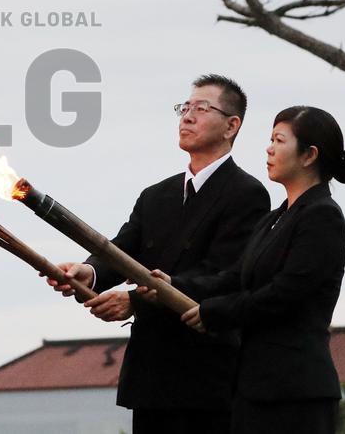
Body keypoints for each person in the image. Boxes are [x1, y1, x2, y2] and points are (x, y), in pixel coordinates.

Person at [49, 75, 270, 434]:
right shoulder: (156, 195)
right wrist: (88, 273)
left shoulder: (246, 194)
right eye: (185, 108)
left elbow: (223, 276)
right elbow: (121, 251)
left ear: (232, 126)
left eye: (202, 109)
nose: (188, 117)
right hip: (152, 374)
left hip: (206, 376)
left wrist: (136, 301)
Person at [153, 106, 345, 434]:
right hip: (253, 386)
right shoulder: (274, 218)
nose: (269, 149)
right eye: (270, 140)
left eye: (279, 140)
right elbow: (236, 278)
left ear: (309, 155)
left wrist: (213, 313)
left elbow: (283, 295)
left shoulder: (322, 216)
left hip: (296, 390)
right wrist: (175, 285)